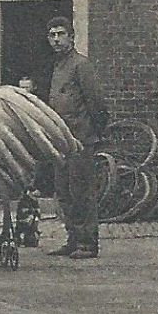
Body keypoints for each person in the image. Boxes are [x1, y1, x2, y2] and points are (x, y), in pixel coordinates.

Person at [46, 17, 109, 259]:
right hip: (61, 140)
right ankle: (72, 239)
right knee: (64, 191)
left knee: (81, 190)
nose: (56, 39)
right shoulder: (58, 67)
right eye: (52, 35)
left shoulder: (81, 65)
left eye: (61, 34)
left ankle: (87, 243)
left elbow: (97, 103)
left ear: (72, 37)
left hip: (80, 139)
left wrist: (94, 134)